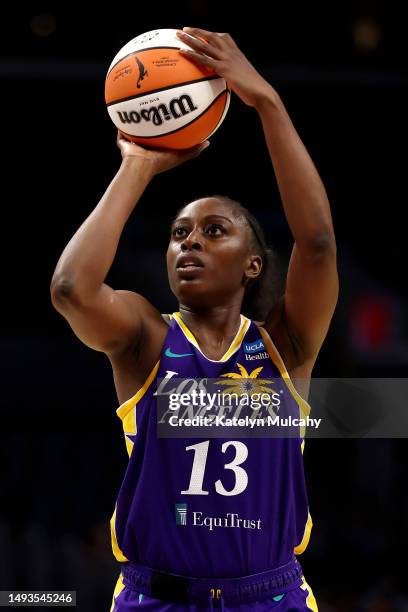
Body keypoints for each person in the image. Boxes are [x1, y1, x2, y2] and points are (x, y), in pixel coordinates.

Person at [50, 27, 338, 612]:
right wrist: (138, 165)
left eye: (214, 231)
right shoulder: (144, 338)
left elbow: (318, 243)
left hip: (271, 596)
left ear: (253, 263)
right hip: (157, 597)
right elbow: (70, 289)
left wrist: (267, 102)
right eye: (179, 233)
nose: (190, 244)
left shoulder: (286, 346)